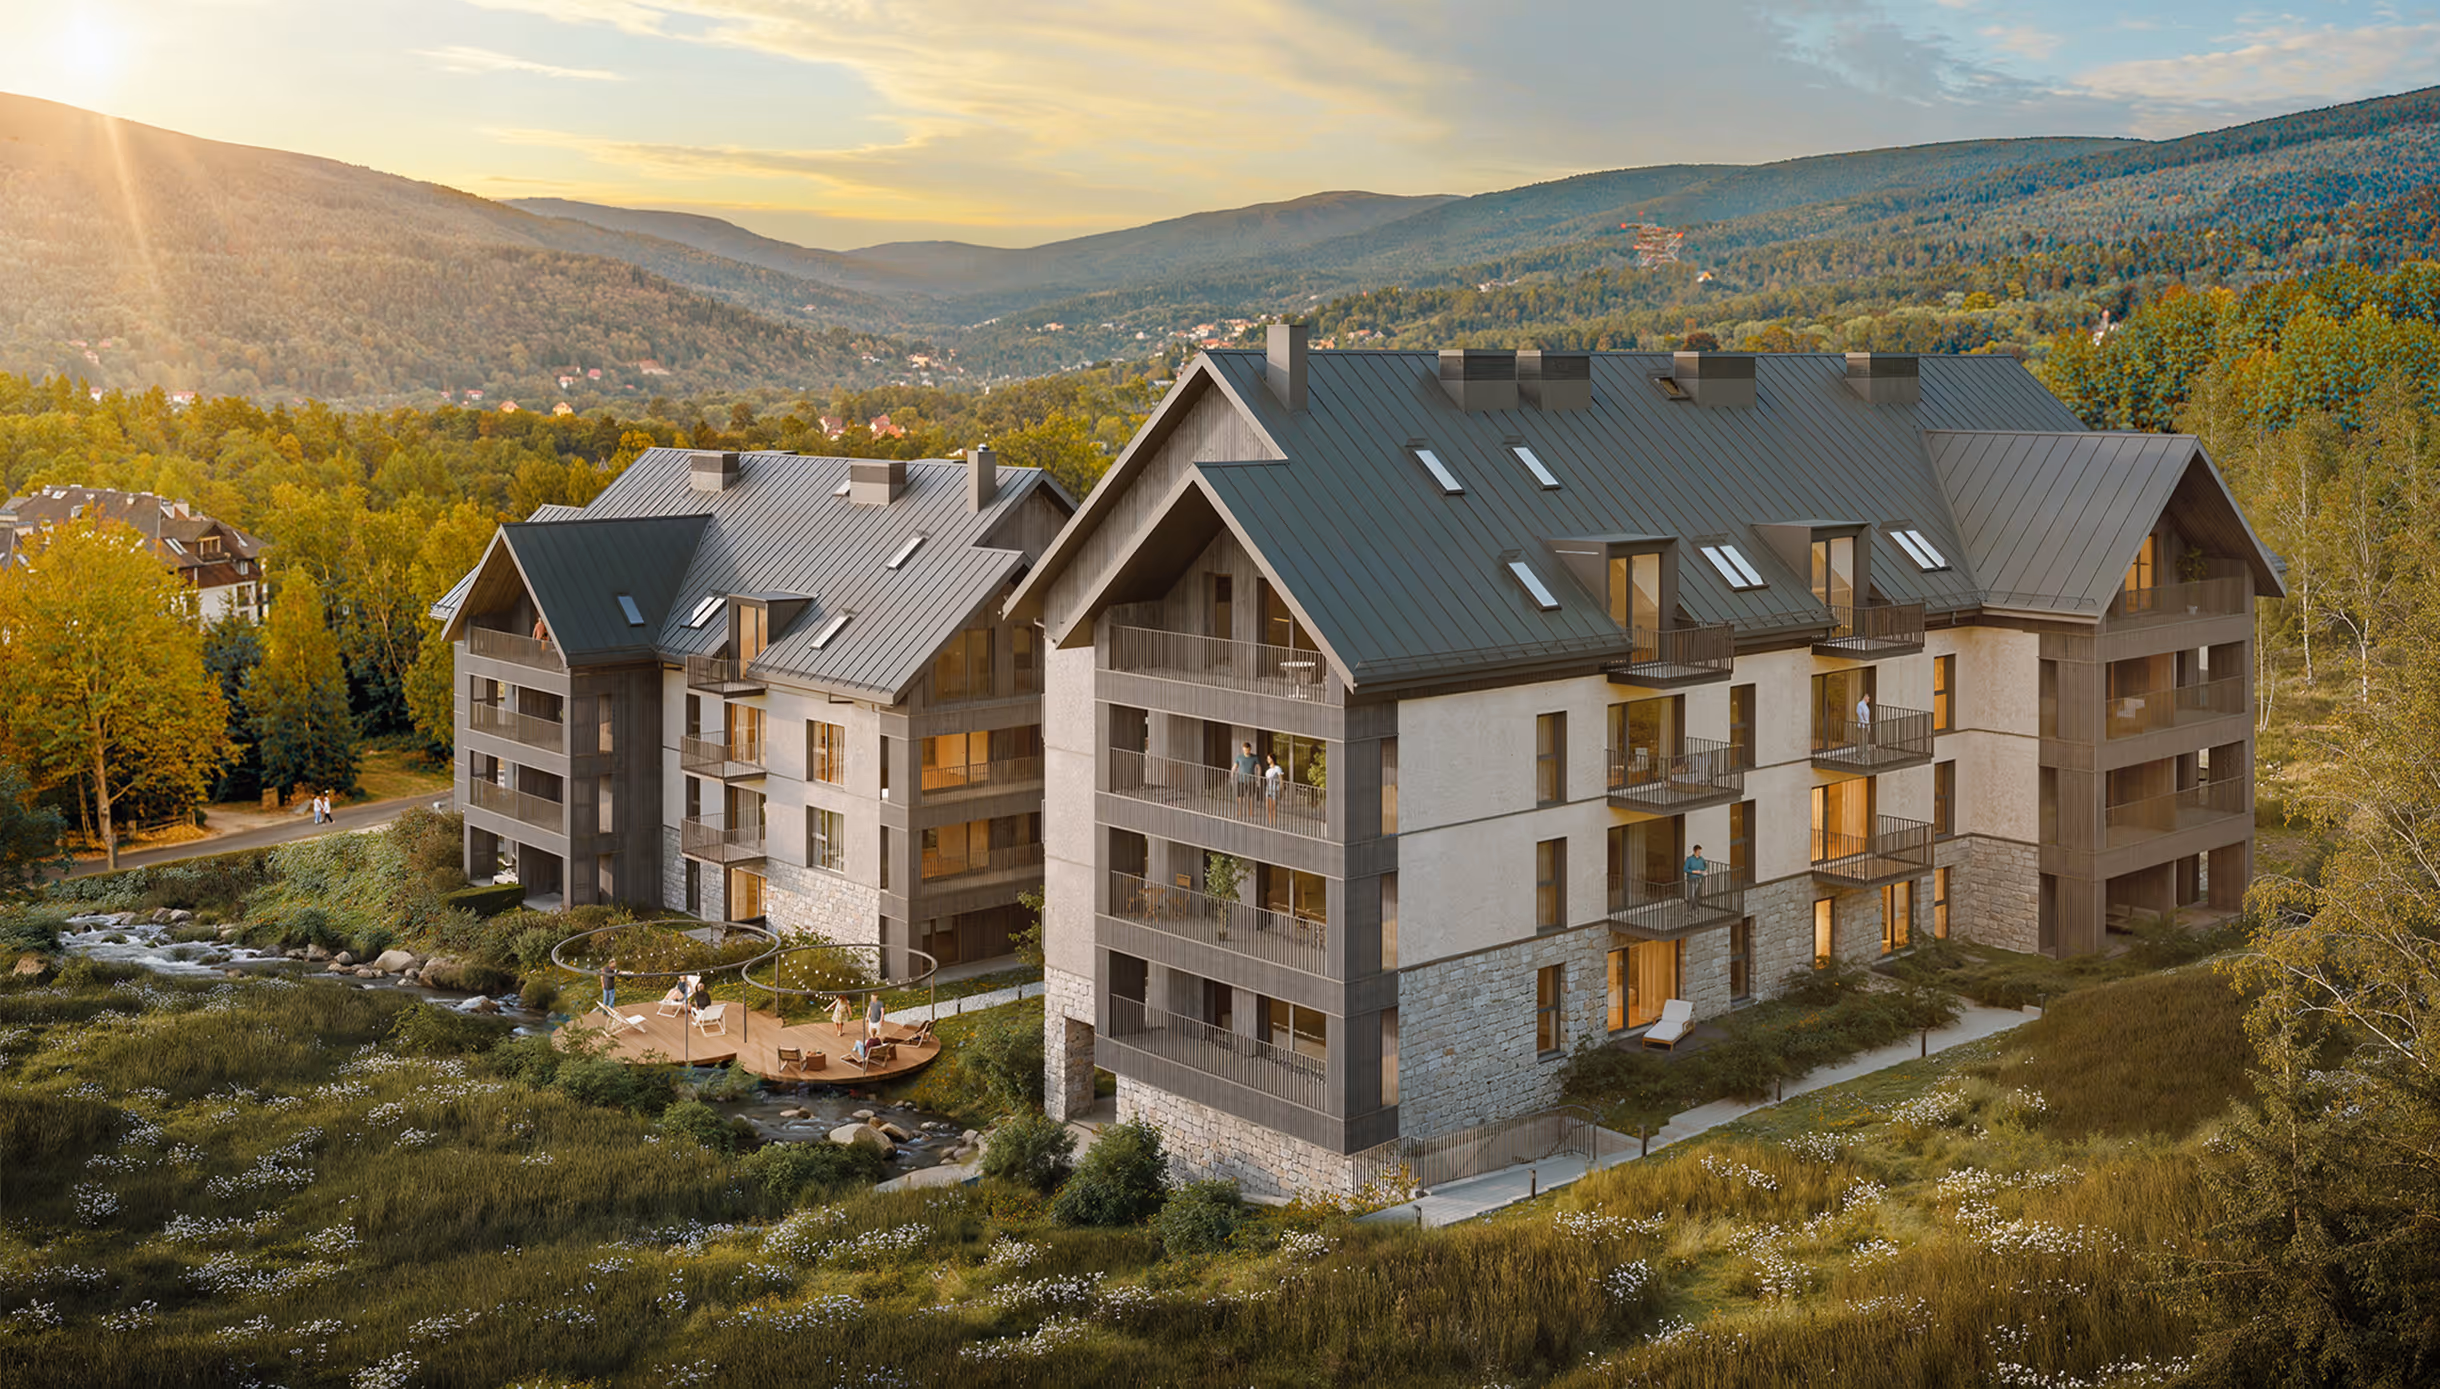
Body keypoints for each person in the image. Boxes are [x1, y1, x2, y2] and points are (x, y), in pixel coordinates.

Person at [1233, 740, 1259, 816]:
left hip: (1251, 780)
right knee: (1240, 796)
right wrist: (1232, 773)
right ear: (1243, 749)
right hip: (1241, 780)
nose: (1246, 752)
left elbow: (1259, 767)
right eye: (1245, 750)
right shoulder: (1239, 757)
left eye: (1247, 750)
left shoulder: (1255, 757)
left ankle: (1250, 811)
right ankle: (1239, 810)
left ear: (1250, 749)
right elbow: (1235, 766)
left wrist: (1258, 777)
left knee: (1250, 797)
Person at [1263, 753, 1284, 826]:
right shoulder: (1268, 769)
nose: (1268, 760)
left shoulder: (1277, 768)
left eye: (1269, 758)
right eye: (1267, 759)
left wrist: (1281, 791)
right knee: (1268, 807)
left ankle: (1274, 823)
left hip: (1275, 789)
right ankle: (1270, 823)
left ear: (1273, 759)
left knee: (1273, 807)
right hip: (1268, 789)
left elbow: (1281, 780)